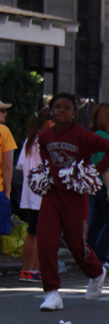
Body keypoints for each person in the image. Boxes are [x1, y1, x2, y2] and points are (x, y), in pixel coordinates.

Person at [35, 93, 109, 311]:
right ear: (51, 110)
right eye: (57, 107)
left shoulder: (83, 135)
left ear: (74, 113)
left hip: (75, 195)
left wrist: (93, 171)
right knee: (45, 242)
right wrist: (47, 173)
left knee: (77, 244)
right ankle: (52, 293)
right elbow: (44, 154)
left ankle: (96, 272)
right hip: (52, 195)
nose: (61, 111)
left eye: (66, 108)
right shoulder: (45, 135)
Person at [86, 103, 109, 272]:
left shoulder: (104, 135)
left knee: (98, 222)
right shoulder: (101, 136)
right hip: (105, 186)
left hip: (103, 185)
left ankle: (90, 255)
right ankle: (100, 257)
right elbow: (103, 165)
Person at [16, 107, 52, 283]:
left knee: (31, 231)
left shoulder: (29, 141)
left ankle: (25, 270)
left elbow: (21, 165)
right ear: (50, 123)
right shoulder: (47, 140)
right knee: (41, 233)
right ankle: (34, 270)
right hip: (43, 193)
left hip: (29, 193)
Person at [0, 99, 16, 236]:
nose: (5, 113)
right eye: (2, 110)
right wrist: (7, 190)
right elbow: (7, 164)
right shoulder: (4, 131)